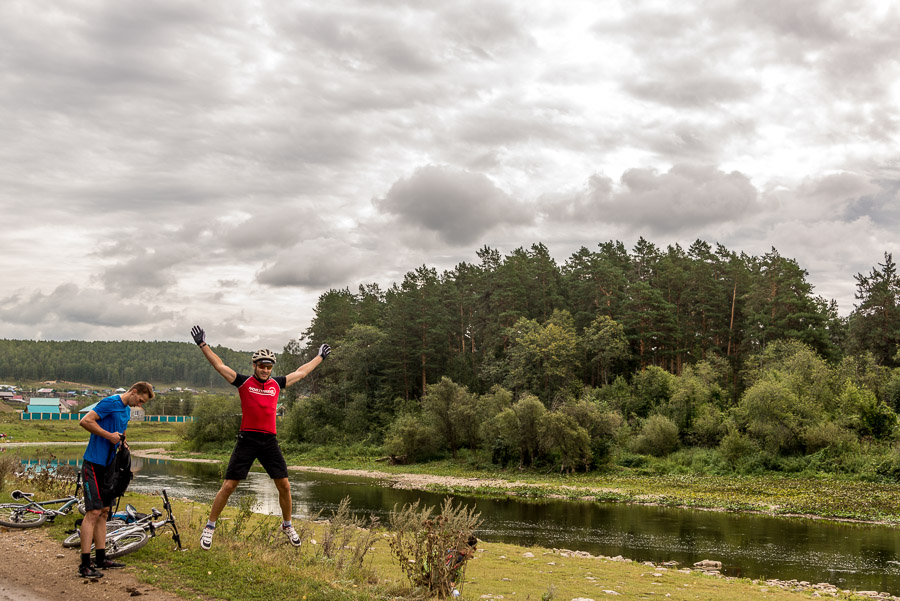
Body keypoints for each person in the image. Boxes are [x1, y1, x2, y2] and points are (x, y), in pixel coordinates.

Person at [190, 325, 330, 550]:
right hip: (247, 439)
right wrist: (203, 344)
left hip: (269, 441)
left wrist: (320, 357)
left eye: (269, 367)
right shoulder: (243, 382)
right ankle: (209, 527)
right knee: (228, 485)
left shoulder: (277, 384)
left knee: (284, 485)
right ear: (254, 366)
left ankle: (287, 525)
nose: (265, 370)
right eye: (262, 366)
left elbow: (301, 372)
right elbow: (219, 365)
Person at [78, 381, 154, 578]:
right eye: (140, 400)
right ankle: (85, 564)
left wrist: (124, 445)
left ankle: (101, 558)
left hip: (110, 468)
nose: (139, 404)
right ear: (134, 391)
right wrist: (108, 436)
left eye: (142, 403)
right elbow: (85, 421)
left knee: (104, 512)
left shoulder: (126, 411)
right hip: (94, 463)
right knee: (93, 512)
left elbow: (121, 433)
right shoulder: (109, 402)